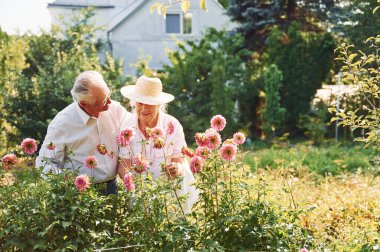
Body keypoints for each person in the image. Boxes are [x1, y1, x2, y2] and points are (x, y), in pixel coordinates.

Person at [36, 70, 132, 196]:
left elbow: (134, 127)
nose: (109, 103)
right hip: (79, 193)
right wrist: (70, 182)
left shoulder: (115, 109)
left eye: (108, 96)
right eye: (103, 101)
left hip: (112, 187)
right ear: (84, 104)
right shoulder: (62, 123)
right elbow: (44, 163)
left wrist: (125, 158)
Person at [118, 75, 199, 213]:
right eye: (139, 103)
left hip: (170, 192)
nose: (143, 108)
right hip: (140, 193)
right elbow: (123, 165)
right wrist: (132, 181)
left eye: (148, 103)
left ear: (159, 104)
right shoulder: (126, 127)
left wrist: (176, 168)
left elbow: (179, 160)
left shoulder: (172, 125)